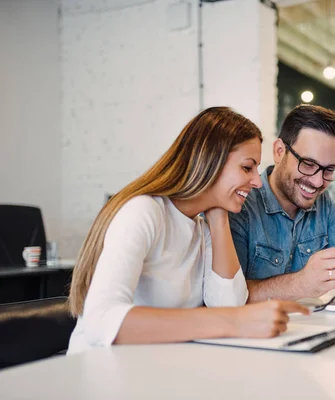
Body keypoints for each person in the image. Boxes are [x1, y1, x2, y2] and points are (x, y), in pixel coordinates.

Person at [67, 107, 308, 354]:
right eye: (247, 168)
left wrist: (219, 216)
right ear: (209, 161)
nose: (257, 182)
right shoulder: (144, 212)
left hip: (154, 368)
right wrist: (235, 321)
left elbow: (228, 304)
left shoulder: (201, 228)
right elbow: (101, 320)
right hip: (100, 372)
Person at [229, 104, 335, 303]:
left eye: (329, 170)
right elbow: (229, 296)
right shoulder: (240, 204)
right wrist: (301, 283)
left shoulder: (324, 204)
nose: (318, 182)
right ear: (280, 151)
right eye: (308, 164)